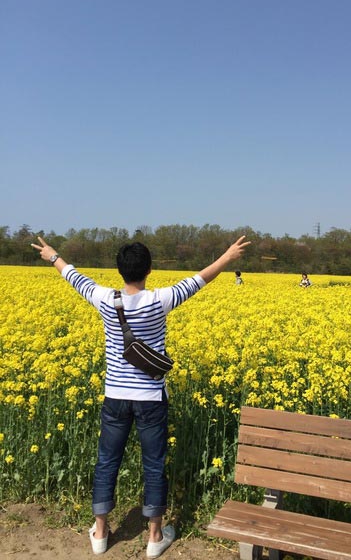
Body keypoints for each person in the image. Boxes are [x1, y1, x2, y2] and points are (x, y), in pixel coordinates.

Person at [31, 235, 251, 558]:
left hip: (115, 397)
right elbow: (200, 279)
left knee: (107, 461)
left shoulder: (104, 299)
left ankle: (100, 533)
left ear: (119, 270)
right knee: (154, 464)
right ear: (149, 269)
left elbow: (74, 278)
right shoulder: (160, 300)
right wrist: (228, 256)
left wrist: (53, 256)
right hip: (150, 397)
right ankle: (154, 537)